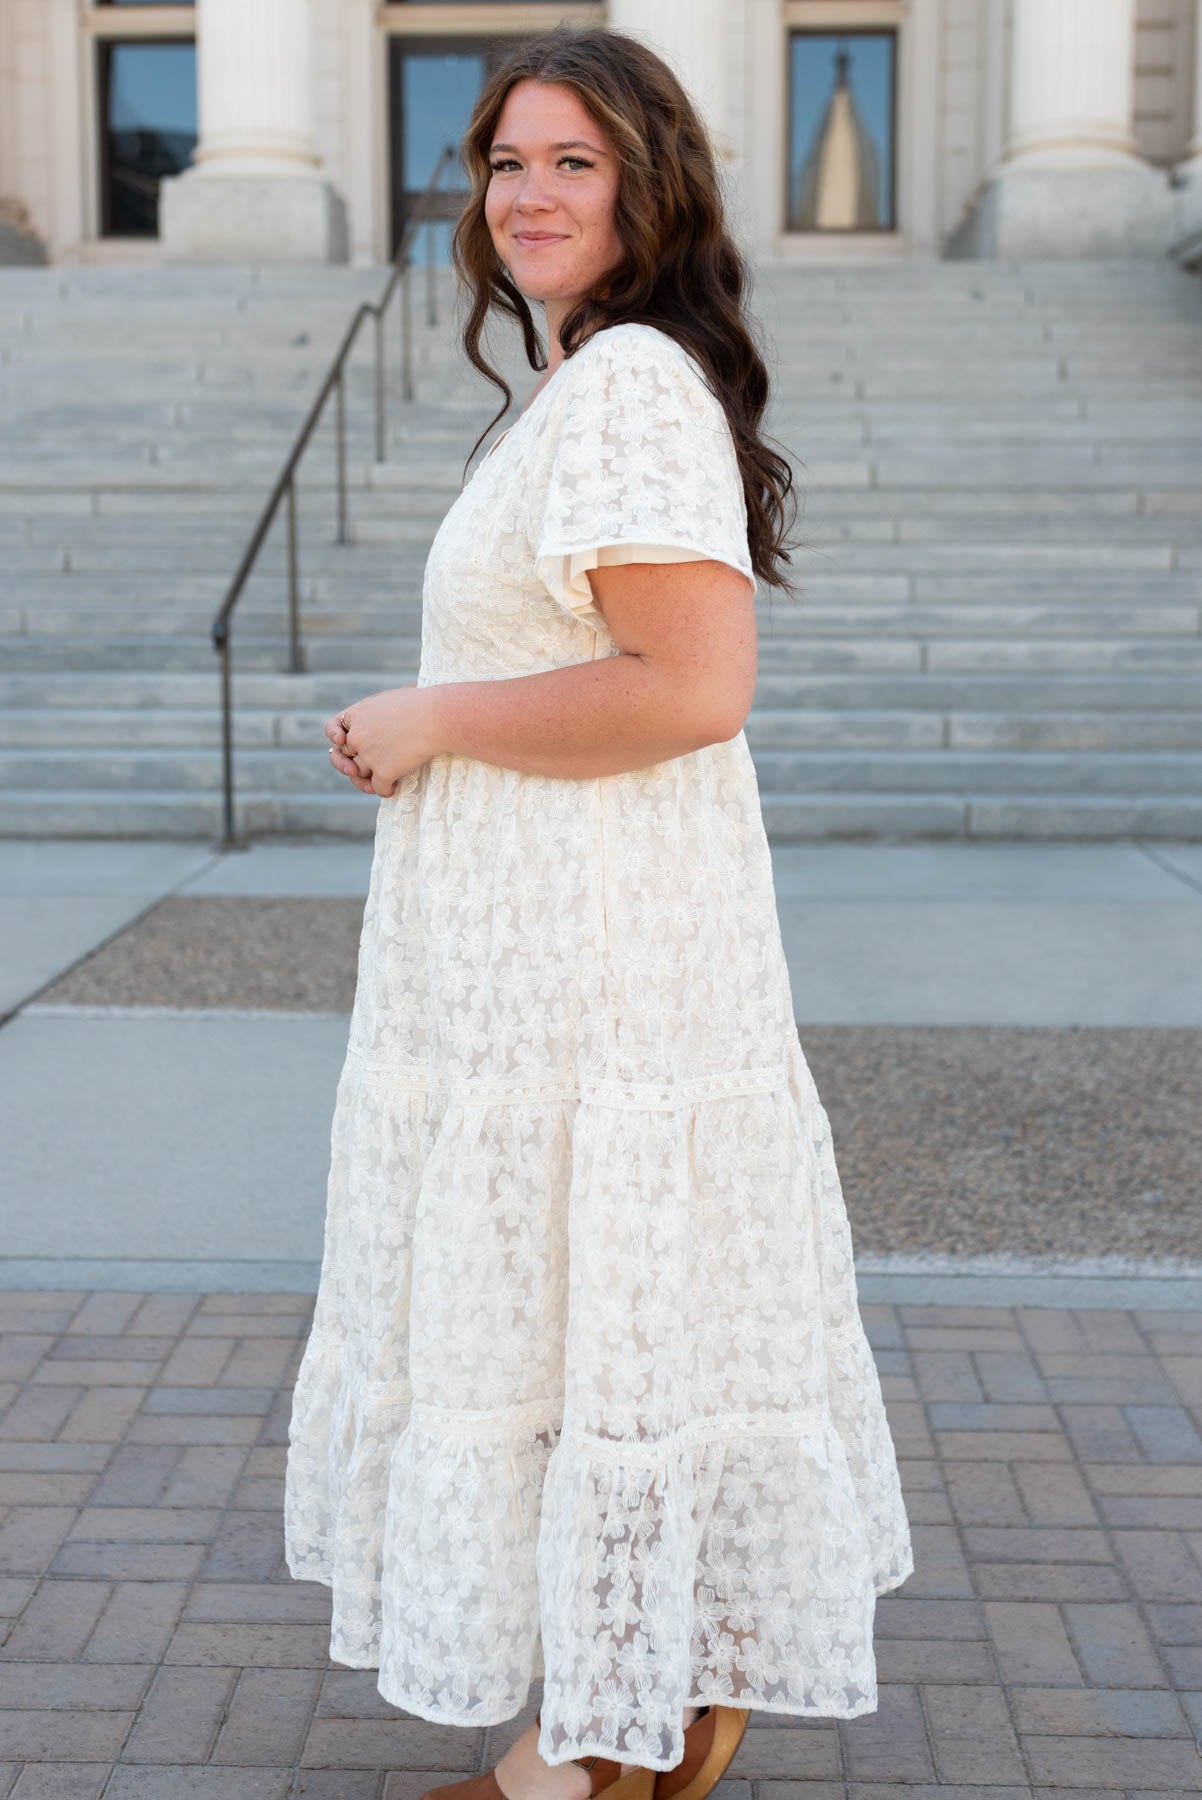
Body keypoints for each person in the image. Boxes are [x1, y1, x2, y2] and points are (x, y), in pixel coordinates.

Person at [283, 23, 912, 1800]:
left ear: (649, 184)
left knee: (587, 1328)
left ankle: (588, 1744)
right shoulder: (581, 386)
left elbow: (694, 685)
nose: (529, 193)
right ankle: (625, 1707)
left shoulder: (629, 382)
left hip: (592, 957)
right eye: (504, 162)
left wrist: (431, 719)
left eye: (574, 160)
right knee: (581, 1331)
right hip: (533, 944)